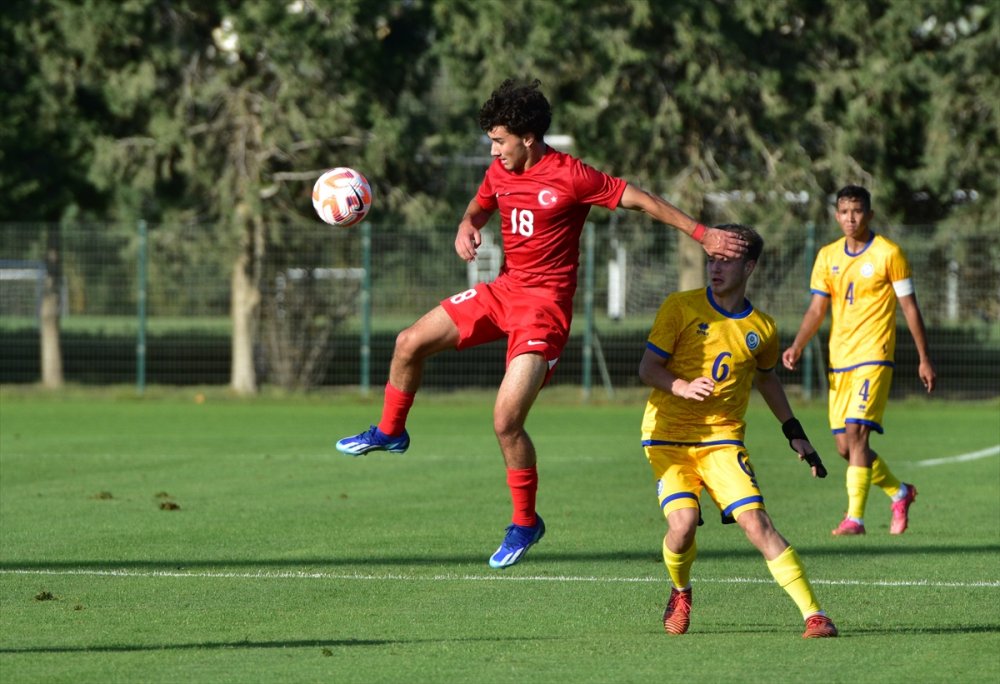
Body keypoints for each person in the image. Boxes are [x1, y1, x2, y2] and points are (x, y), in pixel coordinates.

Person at [336, 78, 747, 569]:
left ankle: (525, 522)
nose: (494, 150)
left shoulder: (571, 176)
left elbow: (640, 199)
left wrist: (701, 233)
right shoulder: (499, 170)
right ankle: (390, 431)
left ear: (527, 137)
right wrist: (468, 225)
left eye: (499, 140)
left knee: (505, 420)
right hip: (503, 291)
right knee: (408, 342)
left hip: (544, 310)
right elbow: (480, 204)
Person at [639, 223, 838, 639]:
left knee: (757, 524)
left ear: (749, 267)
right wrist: (681, 386)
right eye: (712, 258)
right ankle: (680, 590)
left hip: (722, 439)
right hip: (668, 438)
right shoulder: (680, 307)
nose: (716, 267)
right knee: (683, 524)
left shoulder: (761, 328)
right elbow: (648, 368)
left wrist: (794, 431)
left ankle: (815, 615)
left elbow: (767, 380)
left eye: (727, 261)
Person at [782, 185, 936, 536]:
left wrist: (924, 358)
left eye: (857, 211)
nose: (850, 218)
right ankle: (900, 492)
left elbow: (910, 308)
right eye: (844, 212)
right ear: (836, 215)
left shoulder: (889, 254)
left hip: (875, 356)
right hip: (840, 360)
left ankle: (855, 518)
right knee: (844, 447)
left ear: (869, 214)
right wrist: (797, 344)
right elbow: (817, 308)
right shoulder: (827, 256)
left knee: (856, 434)